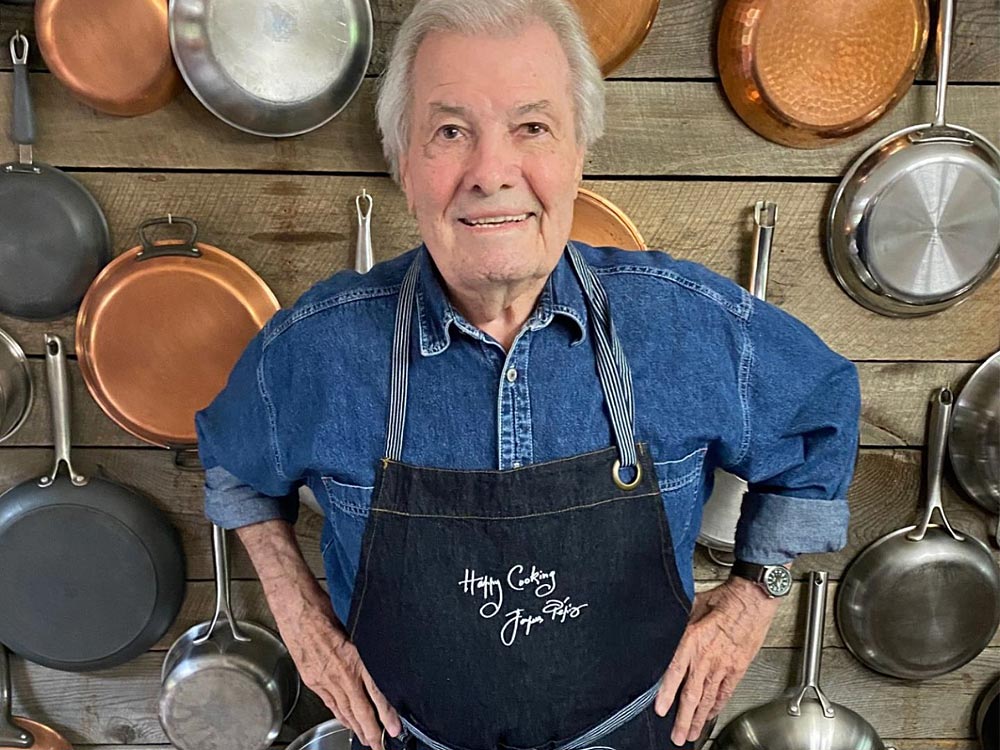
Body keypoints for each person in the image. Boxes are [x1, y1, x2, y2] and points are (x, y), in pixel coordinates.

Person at [195, 0, 861, 748]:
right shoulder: (317, 350)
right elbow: (233, 461)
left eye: (532, 128)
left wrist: (754, 595)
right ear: (404, 164)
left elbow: (821, 411)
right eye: (450, 132)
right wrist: (293, 604)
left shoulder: (687, 328)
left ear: (580, 151)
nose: (491, 172)